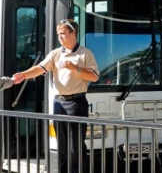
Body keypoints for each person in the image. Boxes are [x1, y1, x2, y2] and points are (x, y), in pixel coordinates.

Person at [13, 19, 99, 173]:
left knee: (75, 146)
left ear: (73, 33)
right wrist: (23, 75)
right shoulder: (56, 53)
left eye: (63, 34)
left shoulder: (86, 53)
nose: (60, 37)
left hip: (76, 103)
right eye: (58, 34)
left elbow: (94, 77)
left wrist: (76, 69)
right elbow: (40, 68)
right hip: (59, 103)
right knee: (62, 146)